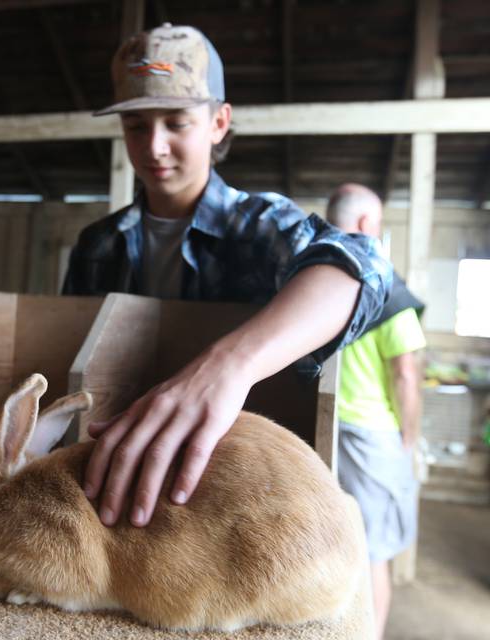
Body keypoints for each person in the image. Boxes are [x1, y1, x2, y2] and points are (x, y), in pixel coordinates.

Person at [62, 24, 392, 530]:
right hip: (113, 473)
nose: (154, 147)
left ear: (219, 122)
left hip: (234, 492)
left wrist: (228, 365)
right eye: (136, 127)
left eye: (176, 122)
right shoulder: (97, 244)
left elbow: (364, 266)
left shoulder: (262, 226)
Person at [326, 183, 426, 640]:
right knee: (373, 553)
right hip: (371, 434)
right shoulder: (388, 286)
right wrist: (410, 437)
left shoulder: (314, 275)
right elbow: (405, 374)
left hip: (321, 429)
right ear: (368, 224)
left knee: (333, 544)